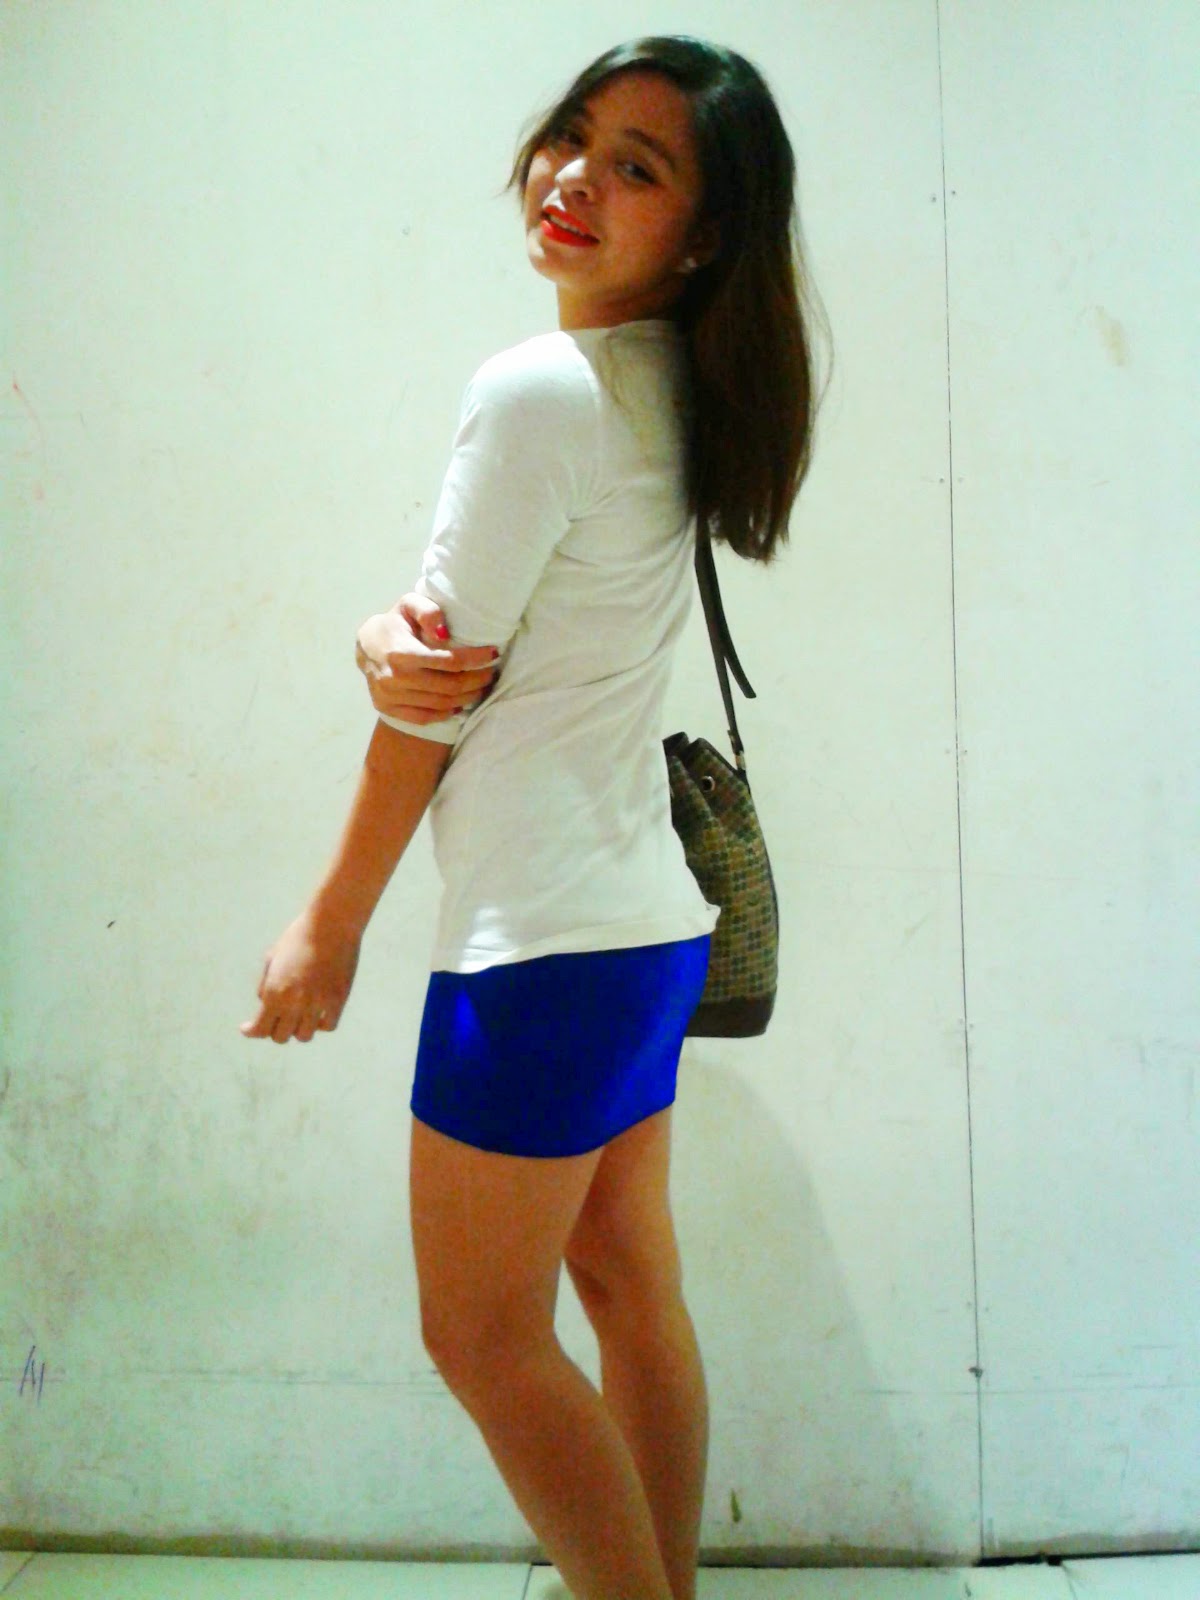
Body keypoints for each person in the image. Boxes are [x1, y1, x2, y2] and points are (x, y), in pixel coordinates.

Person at [243, 35, 825, 1600]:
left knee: (480, 1337)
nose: (574, 176)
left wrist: (329, 924)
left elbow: (428, 703)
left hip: (540, 951)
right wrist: (386, 631)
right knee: (629, 1289)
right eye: (576, 136)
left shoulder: (539, 392)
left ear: (702, 234)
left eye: (638, 167)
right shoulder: (679, 390)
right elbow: (471, 648)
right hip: (644, 933)